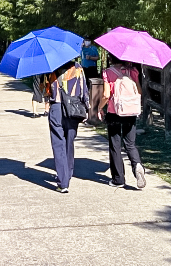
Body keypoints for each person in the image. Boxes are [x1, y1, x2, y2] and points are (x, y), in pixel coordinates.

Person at [99, 53, 146, 189]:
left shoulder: (108, 72)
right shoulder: (133, 71)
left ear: (111, 58)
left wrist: (99, 108)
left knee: (115, 145)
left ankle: (118, 179)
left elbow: (106, 95)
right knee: (130, 144)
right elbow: (139, 92)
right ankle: (137, 164)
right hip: (130, 112)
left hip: (115, 113)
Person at [46, 60, 89, 193]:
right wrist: (86, 108)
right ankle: (68, 173)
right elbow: (84, 90)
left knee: (58, 143)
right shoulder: (77, 68)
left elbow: (47, 90)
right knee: (69, 142)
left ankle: (63, 181)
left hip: (57, 108)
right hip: (74, 108)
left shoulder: (50, 67)